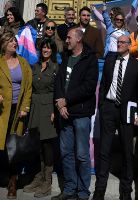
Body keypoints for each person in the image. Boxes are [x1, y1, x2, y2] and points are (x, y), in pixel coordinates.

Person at [0, 31, 33, 200]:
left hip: (17, 112)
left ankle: (12, 183)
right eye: (10, 41)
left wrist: (25, 107)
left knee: (14, 148)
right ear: (3, 44)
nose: (14, 43)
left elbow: (28, 88)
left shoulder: (23, 63)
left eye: (15, 41)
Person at [94, 34, 138, 200]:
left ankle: (126, 191)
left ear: (129, 45)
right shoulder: (110, 60)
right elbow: (103, 84)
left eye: (122, 42)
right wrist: (102, 105)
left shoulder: (137, 65)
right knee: (104, 150)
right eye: (118, 42)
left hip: (127, 110)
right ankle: (99, 190)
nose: (119, 44)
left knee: (127, 151)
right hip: (108, 108)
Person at [54, 28, 99, 200]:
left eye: (69, 37)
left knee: (81, 154)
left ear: (78, 39)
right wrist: (60, 103)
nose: (66, 40)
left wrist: (66, 100)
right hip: (64, 112)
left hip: (81, 113)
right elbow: (59, 81)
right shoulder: (66, 56)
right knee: (66, 153)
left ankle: (83, 192)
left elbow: (88, 87)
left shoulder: (90, 59)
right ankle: (69, 188)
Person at [24, 38, 60, 198]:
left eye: (49, 48)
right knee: (37, 144)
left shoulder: (56, 68)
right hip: (35, 107)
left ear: (53, 50)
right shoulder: (35, 66)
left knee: (47, 144)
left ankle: (47, 181)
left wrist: (55, 111)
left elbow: (58, 90)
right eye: (44, 48)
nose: (46, 50)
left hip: (48, 107)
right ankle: (38, 177)